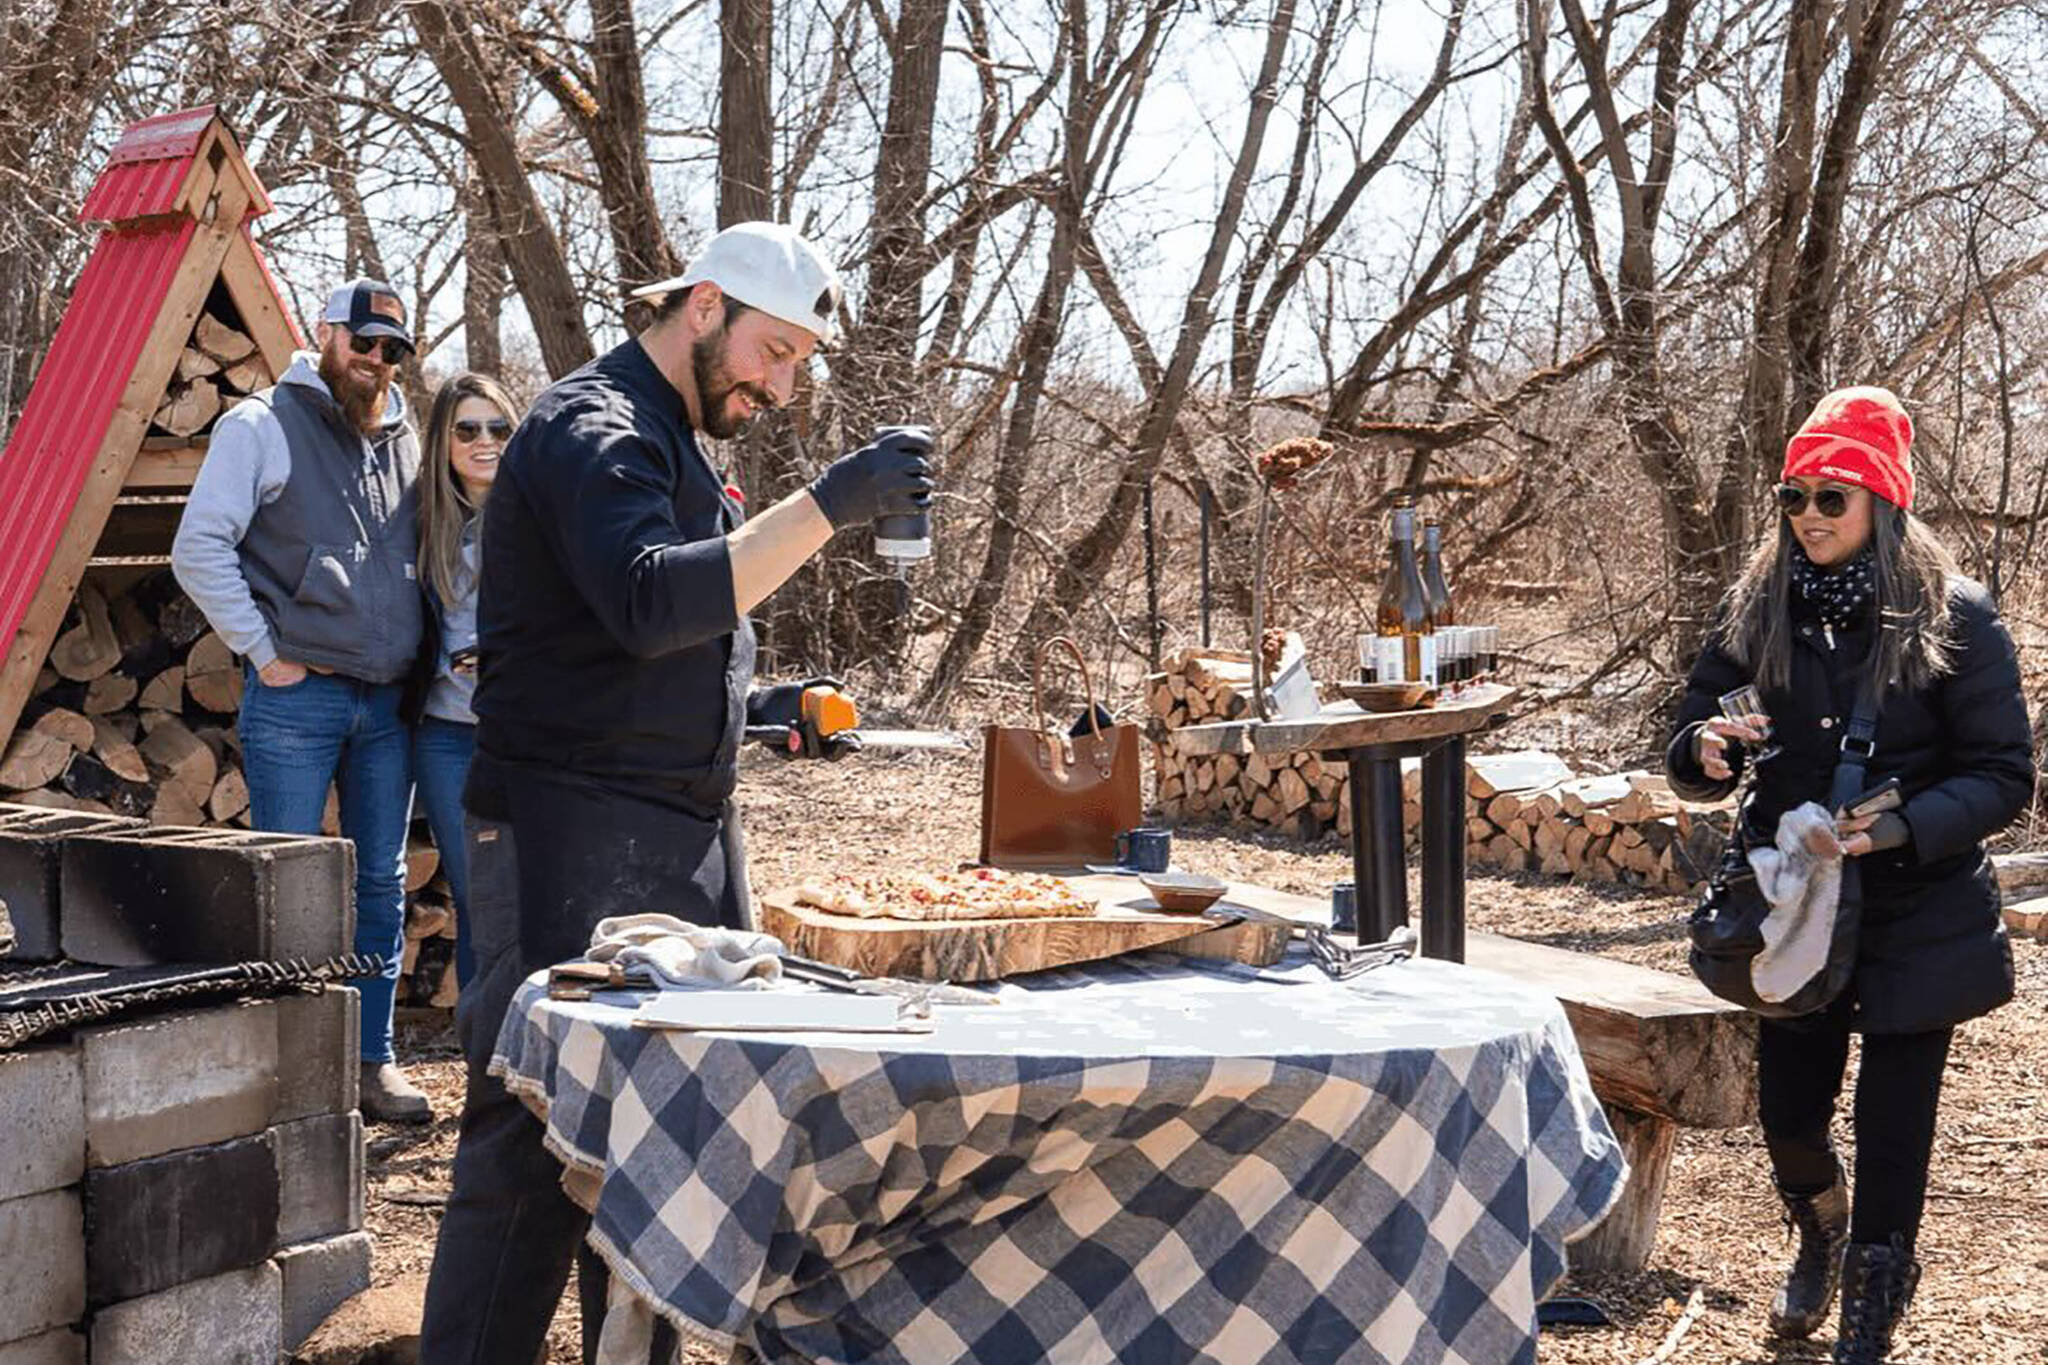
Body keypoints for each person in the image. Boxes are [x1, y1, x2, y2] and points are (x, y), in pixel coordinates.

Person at [419, 221, 933, 1363]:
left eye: (801, 364)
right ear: (702, 306)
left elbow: (636, 642)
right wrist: (826, 505)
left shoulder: (675, 436)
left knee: (655, 1140)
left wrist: (762, 702)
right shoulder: (590, 426)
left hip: (677, 832)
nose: (783, 384)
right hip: (562, 827)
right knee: (530, 1138)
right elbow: (652, 601)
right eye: (774, 350)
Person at [1666, 386, 2028, 1363]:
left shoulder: (1956, 616)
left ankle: (1872, 1293)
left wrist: (1897, 830)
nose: (1810, 516)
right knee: (1789, 1114)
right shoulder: (1757, 607)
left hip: (1919, 908)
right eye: (1794, 497)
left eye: (1833, 496)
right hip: (1792, 909)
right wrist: (1704, 748)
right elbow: (1697, 720)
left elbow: (2003, 776)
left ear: (1881, 502)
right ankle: (1817, 1232)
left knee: (1894, 1119)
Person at [171, 278, 432, 1125]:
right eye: (364, 343)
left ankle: (370, 1061)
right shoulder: (259, 424)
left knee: (382, 885)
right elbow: (197, 545)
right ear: (327, 334)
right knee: (286, 883)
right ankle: (287, 1072)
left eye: (393, 350)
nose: (377, 361)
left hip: (386, 704)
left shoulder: (405, 438)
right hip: (298, 698)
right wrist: (262, 651)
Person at [404, 372, 520, 989]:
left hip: (527, 736)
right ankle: (485, 1061)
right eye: (467, 429)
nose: (485, 441)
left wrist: (509, 654)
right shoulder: (419, 519)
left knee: (535, 895)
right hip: (447, 735)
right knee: (480, 900)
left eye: (499, 428)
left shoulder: (542, 518)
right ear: (443, 440)